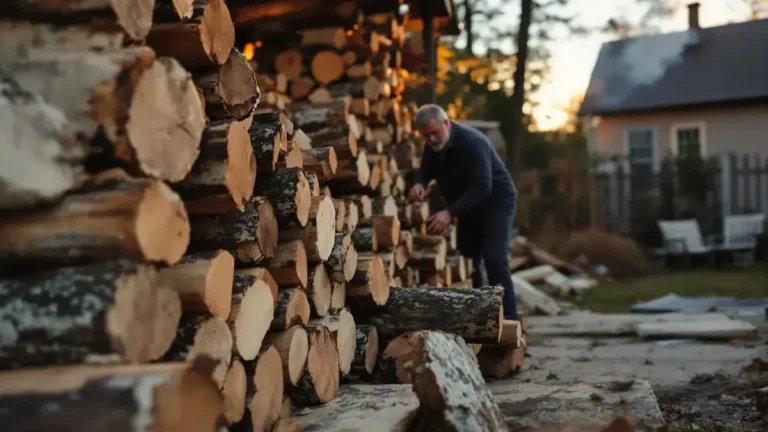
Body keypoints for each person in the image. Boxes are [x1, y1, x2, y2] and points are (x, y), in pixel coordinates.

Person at [408, 104, 519, 320]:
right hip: (467, 205)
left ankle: (509, 319)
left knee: (494, 258)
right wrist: (419, 183)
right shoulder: (432, 146)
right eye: (426, 136)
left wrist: (448, 213)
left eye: (435, 133)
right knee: (467, 260)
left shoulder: (473, 142)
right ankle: (480, 316)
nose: (431, 140)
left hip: (496, 202)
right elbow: (425, 169)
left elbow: (483, 186)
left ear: (446, 123)